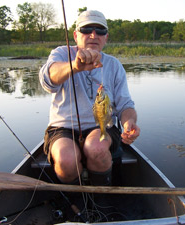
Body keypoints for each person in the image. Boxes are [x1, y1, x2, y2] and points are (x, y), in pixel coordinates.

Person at [39, 10, 140, 186]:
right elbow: (48, 79)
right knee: (65, 160)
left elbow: (126, 106)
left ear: (106, 37)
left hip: (102, 126)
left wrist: (128, 123)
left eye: (100, 31)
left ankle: (100, 199)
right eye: (87, 29)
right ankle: (74, 199)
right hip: (62, 128)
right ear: (76, 35)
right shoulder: (62, 54)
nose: (94, 35)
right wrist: (75, 67)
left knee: (97, 149)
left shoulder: (114, 65)